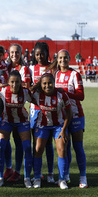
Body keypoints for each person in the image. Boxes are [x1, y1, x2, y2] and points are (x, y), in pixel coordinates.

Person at [0, 70, 33, 188]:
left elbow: (37, 100)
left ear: (21, 82)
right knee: (0, 147)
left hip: (22, 122)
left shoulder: (25, 92)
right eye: (12, 82)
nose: (14, 85)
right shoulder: (3, 91)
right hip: (7, 122)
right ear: (8, 82)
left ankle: (26, 178)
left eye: (17, 82)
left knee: (27, 148)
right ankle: (0, 178)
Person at [48, 49, 88, 189]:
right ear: (57, 60)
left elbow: (81, 96)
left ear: (69, 58)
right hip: (61, 117)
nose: (63, 60)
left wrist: (66, 93)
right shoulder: (55, 74)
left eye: (65, 57)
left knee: (78, 147)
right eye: (60, 58)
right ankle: (65, 176)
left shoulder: (75, 74)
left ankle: (83, 177)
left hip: (76, 115)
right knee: (64, 147)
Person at [31, 73, 72, 189]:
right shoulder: (37, 94)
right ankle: (37, 178)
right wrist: (35, 86)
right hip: (42, 125)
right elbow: (25, 91)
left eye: (50, 83)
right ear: (41, 84)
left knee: (62, 149)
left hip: (58, 126)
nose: (47, 85)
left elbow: (69, 113)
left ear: (54, 83)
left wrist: (64, 130)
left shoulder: (61, 94)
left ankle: (62, 179)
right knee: (38, 149)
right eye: (44, 83)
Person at [3, 43, 32, 183]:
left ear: (21, 54)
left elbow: (25, 86)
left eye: (17, 52)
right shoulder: (6, 67)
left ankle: (18, 171)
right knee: (5, 140)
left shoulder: (25, 69)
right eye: (12, 52)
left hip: (18, 108)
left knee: (18, 141)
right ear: (9, 54)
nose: (14, 55)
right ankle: (8, 167)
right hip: (5, 108)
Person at [29, 41, 55, 183]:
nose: (39, 57)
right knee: (36, 144)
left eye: (42, 54)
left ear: (47, 53)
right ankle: (37, 173)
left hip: (49, 110)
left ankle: (50, 173)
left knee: (49, 143)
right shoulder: (31, 68)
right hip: (35, 110)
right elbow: (30, 89)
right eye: (37, 54)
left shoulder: (53, 68)